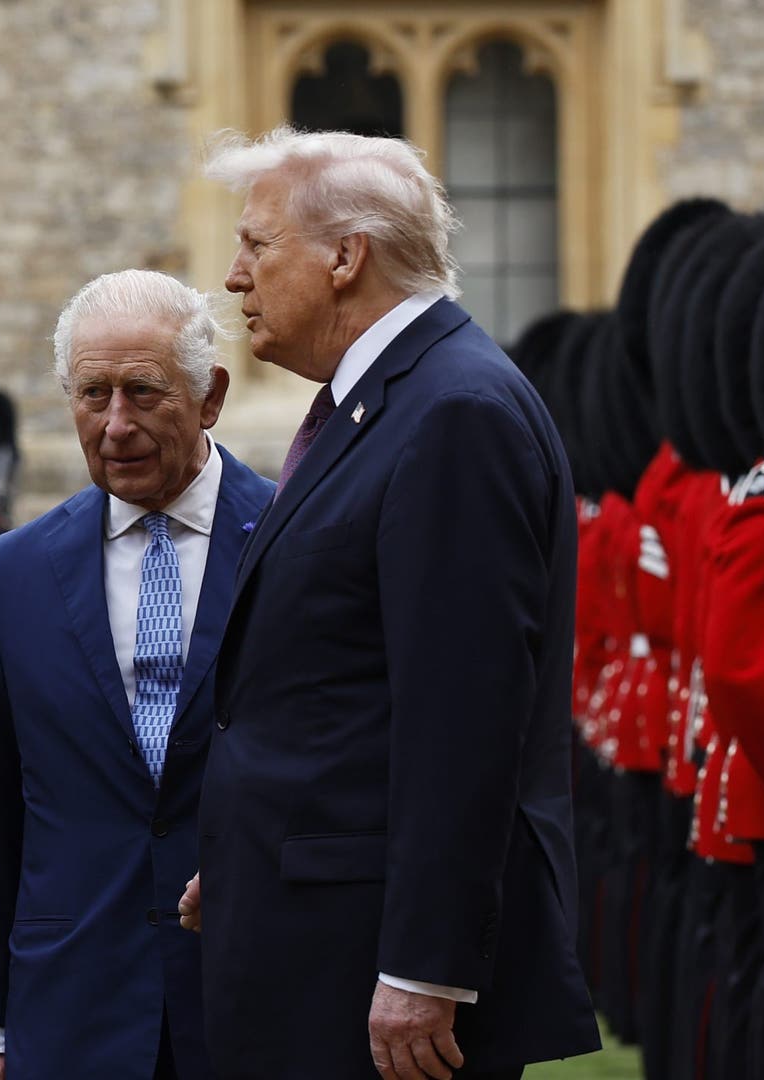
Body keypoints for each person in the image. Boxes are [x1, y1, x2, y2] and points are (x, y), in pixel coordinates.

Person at [182, 127, 600, 1079]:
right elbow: (337, 684)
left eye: (256, 244)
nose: (235, 276)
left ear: (345, 257)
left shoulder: (452, 413)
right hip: (317, 929)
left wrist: (427, 962)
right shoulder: (384, 405)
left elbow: (463, 716)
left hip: (377, 968)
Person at [0, 269, 272, 1079]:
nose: (117, 425)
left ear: (210, 398)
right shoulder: (15, 572)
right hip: (72, 1005)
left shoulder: (293, 541)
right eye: (93, 395)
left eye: (143, 391)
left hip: (254, 996)